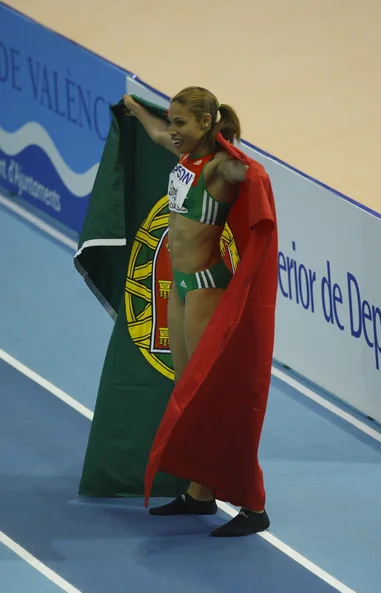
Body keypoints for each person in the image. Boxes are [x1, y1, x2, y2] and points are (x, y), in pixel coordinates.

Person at [122, 87, 270, 536]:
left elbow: (250, 174)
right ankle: (199, 494)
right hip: (181, 290)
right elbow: (153, 133)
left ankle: (253, 505)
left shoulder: (218, 168)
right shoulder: (183, 156)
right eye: (171, 121)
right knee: (187, 397)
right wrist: (132, 107)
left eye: (181, 123)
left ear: (206, 123)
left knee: (212, 399)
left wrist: (244, 165)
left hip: (207, 289)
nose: (173, 130)